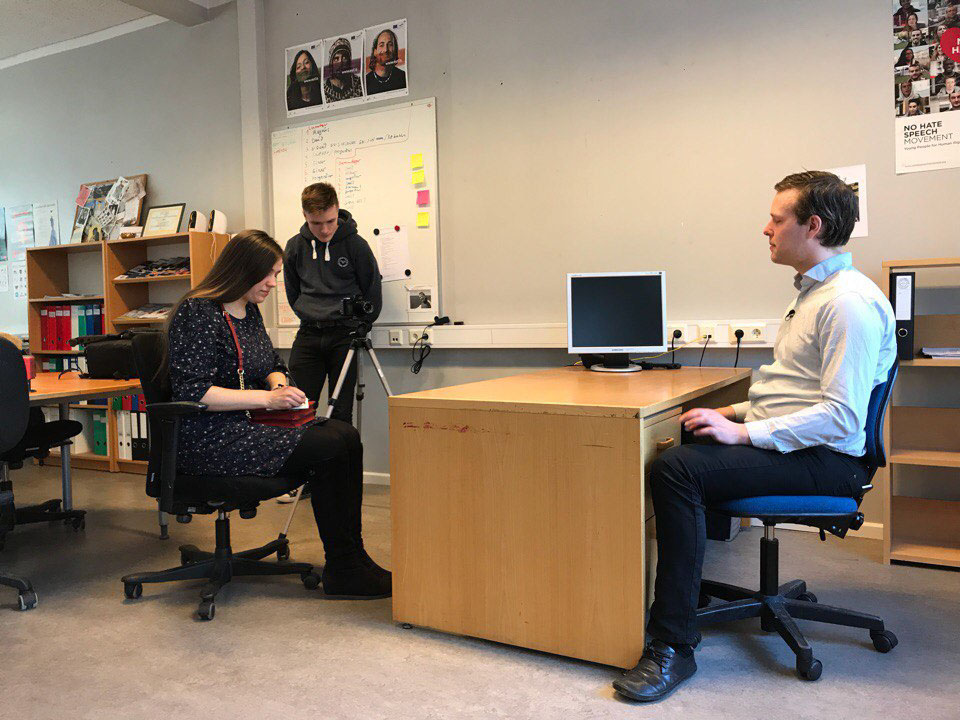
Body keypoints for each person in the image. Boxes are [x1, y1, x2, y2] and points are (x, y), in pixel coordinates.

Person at [612, 171, 895, 703]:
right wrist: (729, 412)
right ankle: (685, 589)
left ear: (813, 226)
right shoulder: (813, 295)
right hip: (807, 444)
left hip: (830, 460)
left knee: (676, 470)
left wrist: (742, 434)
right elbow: (793, 392)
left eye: (776, 219)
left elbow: (840, 418)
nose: (766, 229)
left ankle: (673, 645)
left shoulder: (847, 304)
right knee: (690, 435)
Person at [165, 229, 390, 598]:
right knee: (331, 445)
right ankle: (346, 569)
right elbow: (195, 393)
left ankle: (353, 560)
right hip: (210, 439)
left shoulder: (248, 310)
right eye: (267, 274)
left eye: (276, 274)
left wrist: (279, 385)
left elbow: (271, 363)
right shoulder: (198, 312)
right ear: (242, 270)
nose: (273, 283)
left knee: (344, 434)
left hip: (246, 427)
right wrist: (268, 400)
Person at [280, 183, 382, 506]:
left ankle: (336, 483)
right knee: (298, 408)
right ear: (305, 216)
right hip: (309, 334)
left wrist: (360, 326)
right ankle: (302, 480)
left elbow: (372, 290)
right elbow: (293, 292)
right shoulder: (295, 247)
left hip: (344, 336)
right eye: (316, 223)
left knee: (339, 414)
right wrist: (311, 312)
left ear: (338, 211)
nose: (324, 230)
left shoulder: (356, 245)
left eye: (329, 221)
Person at [365, 28, 407, 94]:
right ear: (375, 51)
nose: (385, 50)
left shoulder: (403, 77)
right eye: (381, 45)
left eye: (390, 45)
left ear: (395, 50)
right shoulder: (365, 82)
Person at [323, 37, 363, 102]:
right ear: (331, 63)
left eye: (344, 58)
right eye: (336, 59)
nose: (340, 63)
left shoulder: (359, 83)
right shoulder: (323, 90)